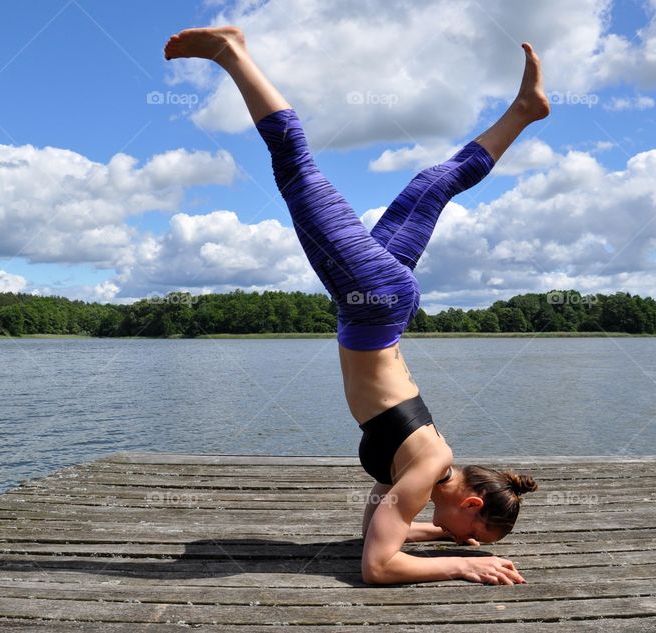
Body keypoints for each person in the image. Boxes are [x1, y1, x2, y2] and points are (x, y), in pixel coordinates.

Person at [164, 25, 549, 586]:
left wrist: (439, 540)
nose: (458, 540)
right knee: (295, 166)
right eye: (469, 533)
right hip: (373, 303)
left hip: (381, 305)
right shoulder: (423, 470)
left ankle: (524, 110)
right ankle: (232, 52)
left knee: (430, 187)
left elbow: (378, 535)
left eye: (468, 544)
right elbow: (377, 567)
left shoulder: (428, 468)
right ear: (469, 504)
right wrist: (463, 564)